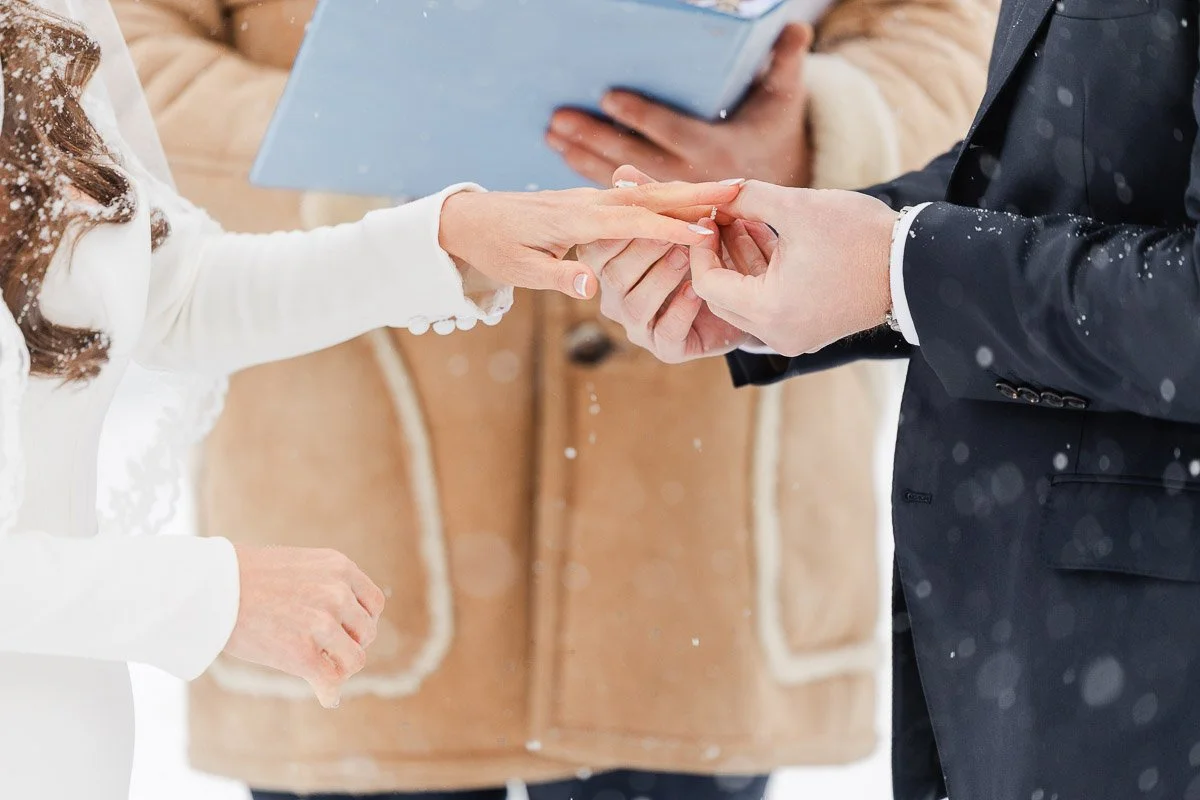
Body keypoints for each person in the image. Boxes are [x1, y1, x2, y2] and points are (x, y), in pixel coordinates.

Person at [113, 1, 996, 799]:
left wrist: (807, 148)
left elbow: (961, 32)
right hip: (356, 532)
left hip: (700, 553)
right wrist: (372, 169)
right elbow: (107, 60)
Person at [0, 2, 738, 798]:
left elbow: (171, 291)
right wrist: (210, 594)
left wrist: (447, 237)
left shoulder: (41, 18)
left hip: (63, 744)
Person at [595, 0, 1200, 797]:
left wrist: (899, 269)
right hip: (1025, 644)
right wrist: (782, 260)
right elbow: (1037, 165)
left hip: (1146, 657)